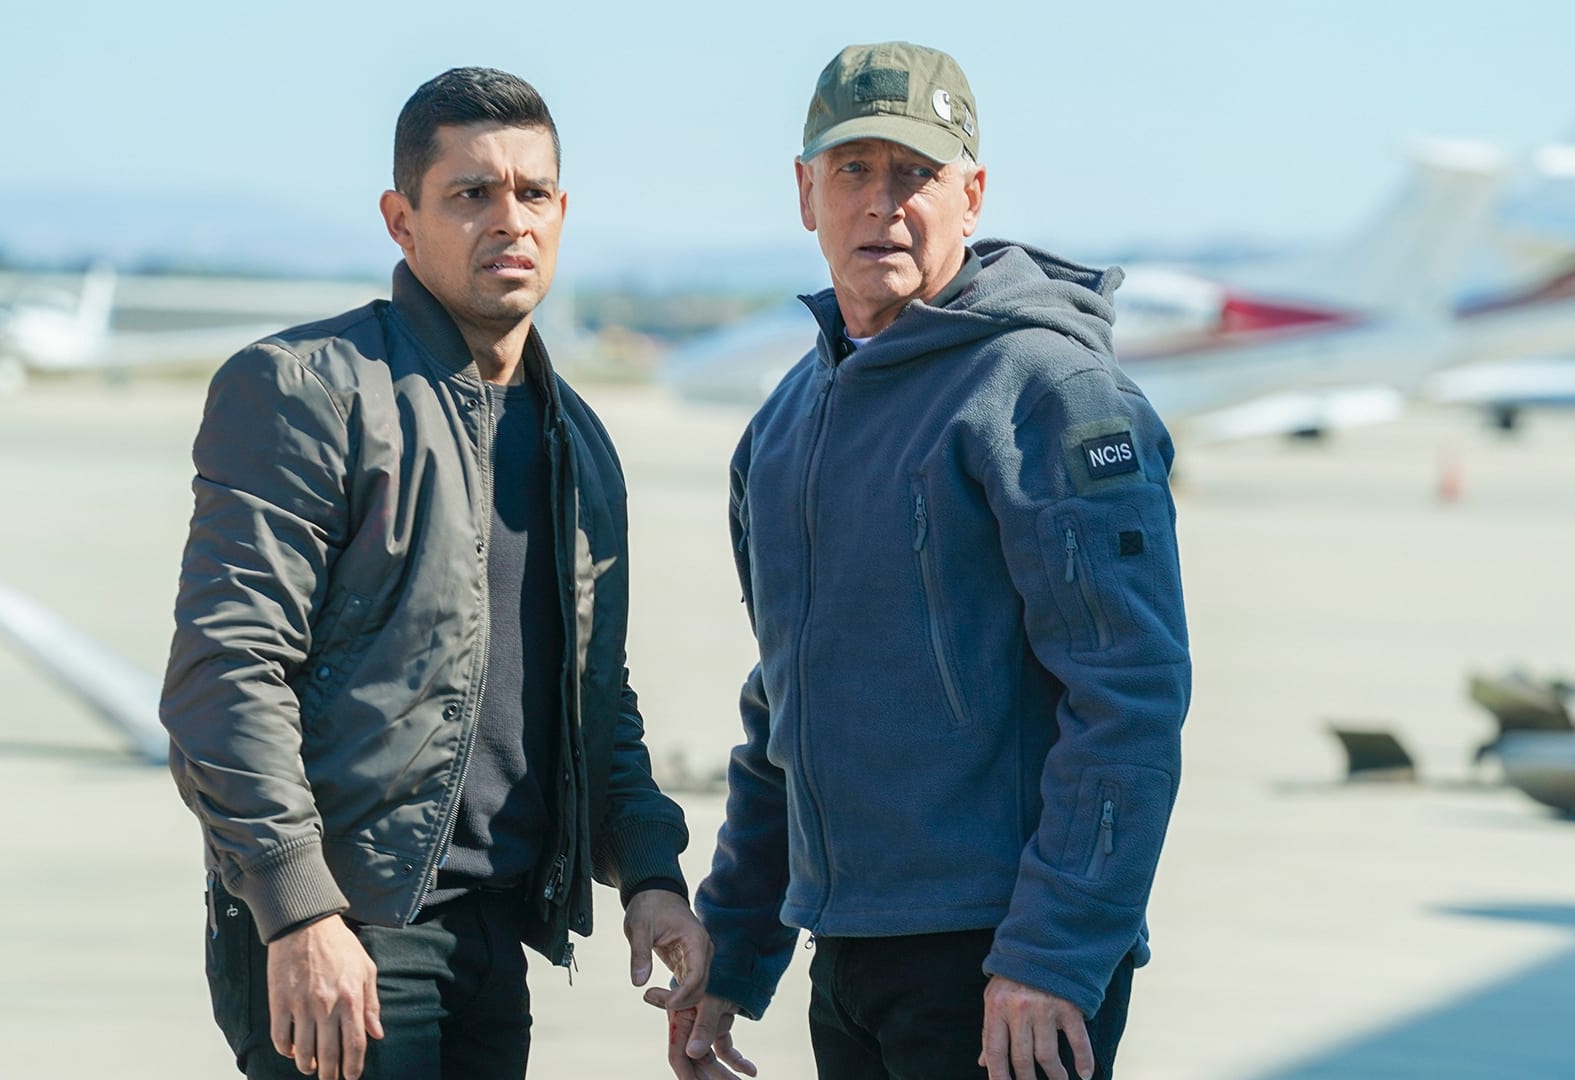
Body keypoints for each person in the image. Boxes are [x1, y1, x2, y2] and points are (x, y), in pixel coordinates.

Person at [646, 42, 1190, 1080]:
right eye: (853, 169)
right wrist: (739, 948)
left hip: (1003, 966)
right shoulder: (784, 426)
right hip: (849, 955)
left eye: (916, 173)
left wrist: (1053, 953)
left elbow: (1128, 697)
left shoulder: (1048, 395)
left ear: (971, 196)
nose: (882, 203)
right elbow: (785, 710)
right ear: (805, 193)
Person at [160, 66, 711, 1080]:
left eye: (533, 193)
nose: (510, 220)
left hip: (494, 940)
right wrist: (297, 909)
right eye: (471, 193)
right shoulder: (307, 391)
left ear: (562, 213)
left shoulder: (578, 442)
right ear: (401, 220)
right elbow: (225, 672)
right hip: (347, 933)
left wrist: (650, 874)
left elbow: (595, 699)